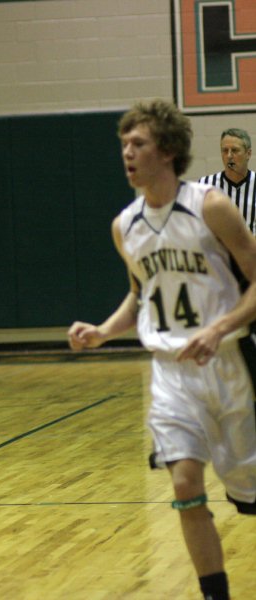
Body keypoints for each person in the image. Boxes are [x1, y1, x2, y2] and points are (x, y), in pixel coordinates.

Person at [68, 99, 256, 600]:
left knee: (251, 493)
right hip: (171, 374)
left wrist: (221, 328)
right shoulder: (124, 226)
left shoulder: (211, 207)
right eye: (123, 145)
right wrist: (104, 331)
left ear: (168, 150)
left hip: (229, 366)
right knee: (184, 485)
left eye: (139, 144)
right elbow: (141, 294)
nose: (127, 153)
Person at [199, 128, 256, 234]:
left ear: (248, 154)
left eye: (234, 150)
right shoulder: (205, 184)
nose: (229, 156)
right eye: (225, 151)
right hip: (218, 249)